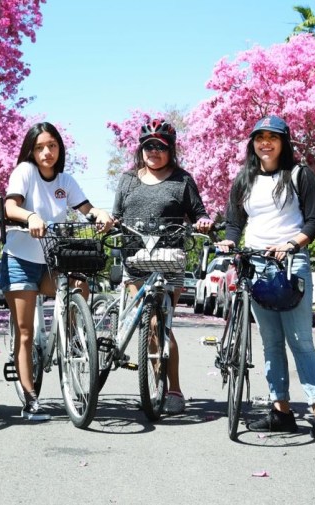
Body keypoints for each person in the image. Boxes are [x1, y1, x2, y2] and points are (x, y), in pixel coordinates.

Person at [217, 115, 315, 443]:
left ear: (285, 142)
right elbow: (234, 221)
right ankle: (281, 410)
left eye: (273, 137)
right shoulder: (244, 179)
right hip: (255, 264)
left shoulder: (301, 175)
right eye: (260, 137)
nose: (265, 143)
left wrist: (291, 244)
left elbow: (314, 221)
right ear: (253, 143)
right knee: (271, 343)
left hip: (290, 262)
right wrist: (231, 240)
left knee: (300, 341)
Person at [0, 121, 113, 421]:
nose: (46, 152)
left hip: (53, 261)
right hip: (20, 260)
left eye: (51, 146)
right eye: (39, 147)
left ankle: (74, 339)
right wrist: (31, 216)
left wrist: (100, 213)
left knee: (79, 286)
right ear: (31, 151)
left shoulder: (66, 180)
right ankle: (30, 398)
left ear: (59, 148)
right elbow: (10, 207)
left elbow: (87, 209)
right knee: (25, 333)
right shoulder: (24, 172)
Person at [111, 119, 213, 415]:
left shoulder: (182, 180)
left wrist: (204, 222)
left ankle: (174, 389)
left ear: (171, 150)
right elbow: (117, 216)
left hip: (170, 260)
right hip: (135, 259)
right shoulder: (128, 179)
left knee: (161, 323)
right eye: (148, 146)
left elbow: (199, 213)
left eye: (160, 146)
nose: (153, 151)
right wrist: (109, 222)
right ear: (141, 149)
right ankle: (155, 382)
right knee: (149, 324)